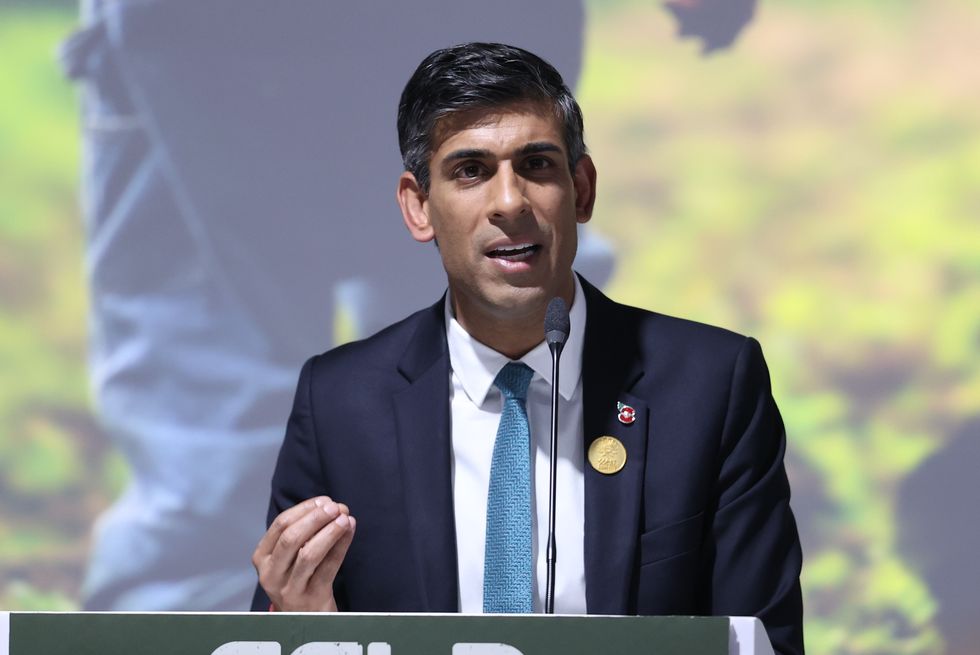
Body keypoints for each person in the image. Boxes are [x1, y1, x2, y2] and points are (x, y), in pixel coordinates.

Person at [251, 43, 803, 655]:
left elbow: (764, 640)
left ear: (582, 189)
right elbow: (286, 627)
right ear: (418, 206)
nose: (510, 202)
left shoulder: (710, 385)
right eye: (470, 171)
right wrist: (306, 631)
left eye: (537, 165)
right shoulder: (339, 402)